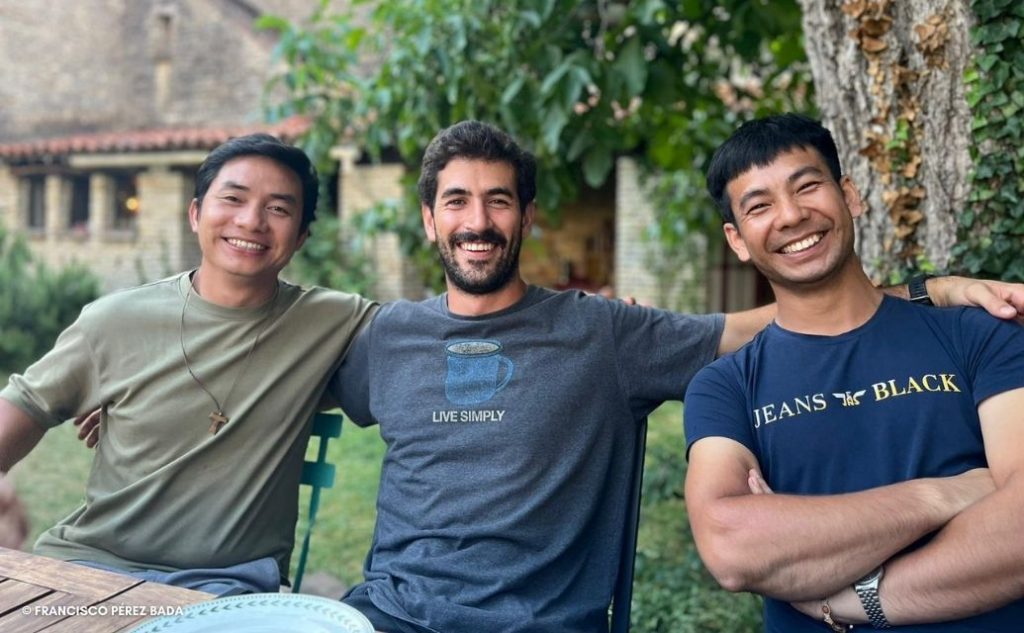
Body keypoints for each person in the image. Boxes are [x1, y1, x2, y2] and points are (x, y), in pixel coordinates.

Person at [326, 120, 1024, 633]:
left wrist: (936, 290)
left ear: (528, 216)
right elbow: (290, 380)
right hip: (386, 614)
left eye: (498, 200)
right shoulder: (386, 334)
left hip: (532, 621)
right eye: (456, 201)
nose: (477, 221)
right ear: (428, 219)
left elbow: (781, 316)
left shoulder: (603, 331)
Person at [683, 113, 1024, 632]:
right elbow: (733, 544)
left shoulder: (979, 336)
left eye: (808, 186)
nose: (792, 215)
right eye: (760, 206)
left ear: (849, 195)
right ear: (737, 239)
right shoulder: (725, 386)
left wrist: (858, 599)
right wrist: (947, 494)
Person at [0, 133, 376, 595]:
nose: (251, 220)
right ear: (196, 213)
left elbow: (435, 337)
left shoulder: (333, 322)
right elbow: (22, 407)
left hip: (224, 589)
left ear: (300, 237)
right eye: (233, 199)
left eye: (278, 209)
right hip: (91, 569)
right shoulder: (115, 321)